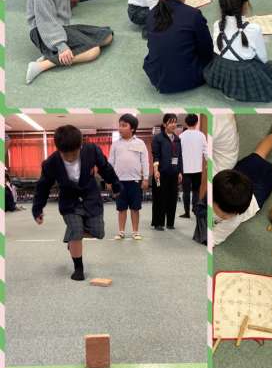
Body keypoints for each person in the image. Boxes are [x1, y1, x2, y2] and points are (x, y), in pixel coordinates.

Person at [32, 125, 121, 281]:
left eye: (73, 153)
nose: (70, 158)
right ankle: (78, 267)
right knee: (76, 230)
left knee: (98, 232)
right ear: (58, 149)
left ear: (80, 145)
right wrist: (37, 208)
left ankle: (73, 239)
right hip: (69, 201)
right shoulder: (51, 163)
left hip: (91, 196)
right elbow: (43, 186)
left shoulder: (91, 150)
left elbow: (105, 168)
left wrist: (115, 184)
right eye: (65, 154)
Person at [213, 124, 272, 245]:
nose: (224, 217)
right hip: (243, 183)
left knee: (262, 159)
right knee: (271, 169)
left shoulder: (232, 220)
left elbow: (215, 238)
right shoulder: (218, 193)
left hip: (254, 195)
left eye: (224, 215)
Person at [204, 0, 272, 102]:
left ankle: (227, 86)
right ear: (245, 5)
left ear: (221, 7)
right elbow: (263, 58)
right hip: (244, 71)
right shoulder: (254, 29)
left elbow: (216, 49)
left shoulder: (217, 24)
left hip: (220, 67)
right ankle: (237, 90)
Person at [143, 0, 213, 93]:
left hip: (157, 77)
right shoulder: (193, 14)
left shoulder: (151, 14)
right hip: (188, 78)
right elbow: (206, 49)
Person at [108, 113, 149, 241]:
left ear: (132, 128)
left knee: (135, 208)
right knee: (121, 208)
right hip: (119, 182)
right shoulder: (115, 144)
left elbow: (145, 162)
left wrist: (146, 178)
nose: (120, 128)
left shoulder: (140, 143)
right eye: (120, 125)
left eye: (124, 125)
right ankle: (121, 231)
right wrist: (109, 180)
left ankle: (135, 232)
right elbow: (110, 163)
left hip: (135, 181)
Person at [151, 114, 183, 230]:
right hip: (161, 174)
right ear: (165, 124)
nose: (174, 124)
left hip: (173, 173)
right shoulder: (158, 138)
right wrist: (156, 170)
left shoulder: (177, 139)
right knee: (160, 198)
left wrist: (180, 172)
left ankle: (170, 223)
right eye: (171, 122)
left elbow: (179, 157)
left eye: (175, 122)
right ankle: (158, 223)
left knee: (172, 198)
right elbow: (156, 156)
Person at [179, 114, 208, 218]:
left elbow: (178, 154)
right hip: (197, 169)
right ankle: (195, 210)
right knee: (196, 191)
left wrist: (178, 169)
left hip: (185, 169)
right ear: (196, 123)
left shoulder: (181, 136)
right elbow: (206, 151)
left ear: (186, 123)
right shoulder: (201, 135)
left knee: (186, 192)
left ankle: (187, 213)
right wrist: (208, 163)